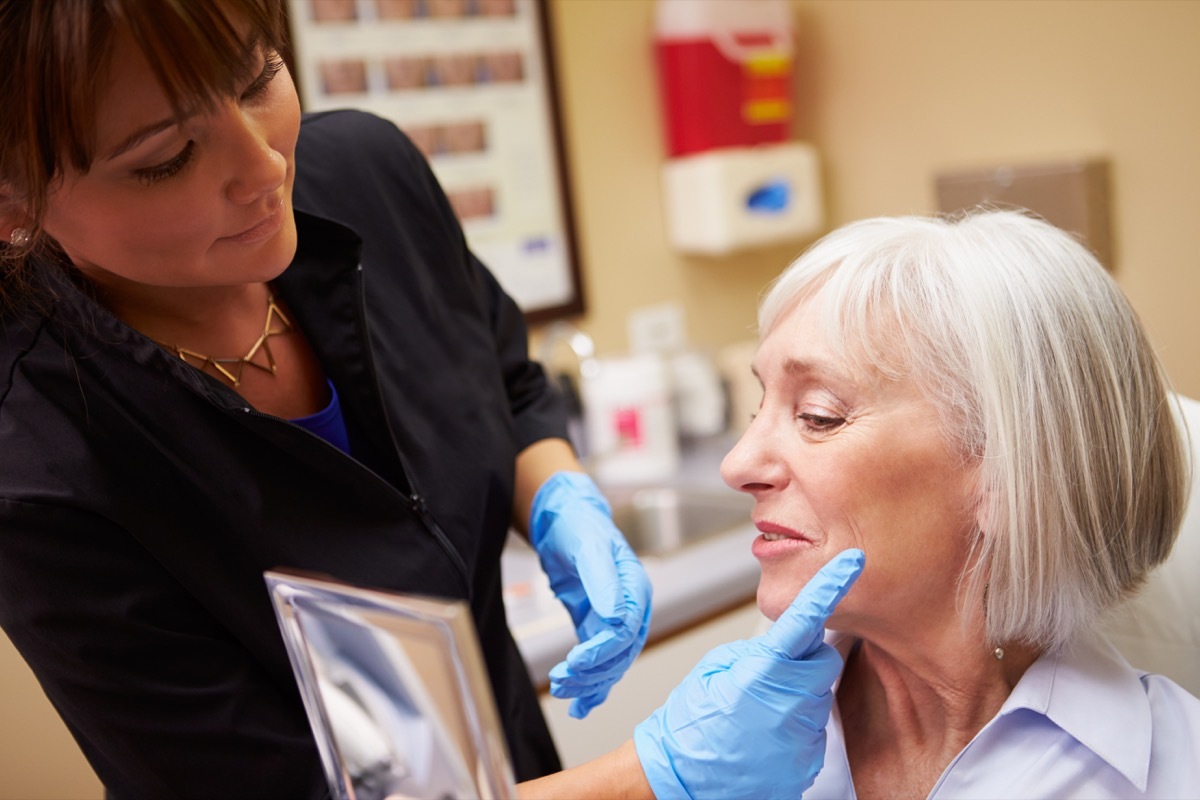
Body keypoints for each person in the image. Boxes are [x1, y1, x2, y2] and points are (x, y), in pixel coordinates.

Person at [0, 0, 659, 794]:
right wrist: (655, 775)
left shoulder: (367, 175)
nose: (265, 167)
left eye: (257, 78)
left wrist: (557, 493)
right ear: (14, 202)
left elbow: (503, 376)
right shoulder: (32, 461)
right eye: (168, 157)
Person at [710, 209, 1200, 798]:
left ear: (1011, 480)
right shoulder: (730, 730)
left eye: (818, 415)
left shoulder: (1167, 775)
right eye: (759, 405)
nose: (737, 465)